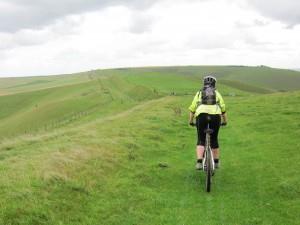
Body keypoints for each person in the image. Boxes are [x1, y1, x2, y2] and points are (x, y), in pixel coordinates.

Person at [188, 75, 227, 170]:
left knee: (201, 139)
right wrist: (225, 121)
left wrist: (191, 121)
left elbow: (192, 109)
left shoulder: (199, 93)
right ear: (214, 84)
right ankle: (216, 162)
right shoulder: (217, 93)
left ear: (204, 83)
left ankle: (199, 162)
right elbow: (223, 109)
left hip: (201, 116)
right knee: (214, 139)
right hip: (215, 117)